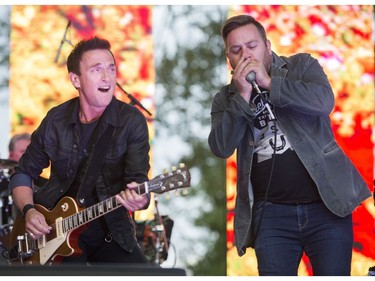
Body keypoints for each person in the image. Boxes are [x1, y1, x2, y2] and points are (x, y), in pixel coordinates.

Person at [208, 14, 371, 276]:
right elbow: (220, 147)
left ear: (268, 45)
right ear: (229, 57)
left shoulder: (302, 66)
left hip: (326, 206)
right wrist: (242, 97)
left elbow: (323, 102)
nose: (245, 55)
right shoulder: (225, 99)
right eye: (236, 50)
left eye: (252, 46)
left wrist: (270, 83)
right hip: (271, 215)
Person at [9, 37, 151, 265]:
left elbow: (138, 181)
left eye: (111, 69)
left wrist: (140, 197)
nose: (107, 77)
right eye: (97, 70)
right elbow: (22, 174)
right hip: (54, 233)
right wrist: (29, 211)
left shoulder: (131, 120)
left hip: (111, 232)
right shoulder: (56, 119)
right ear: (76, 79)